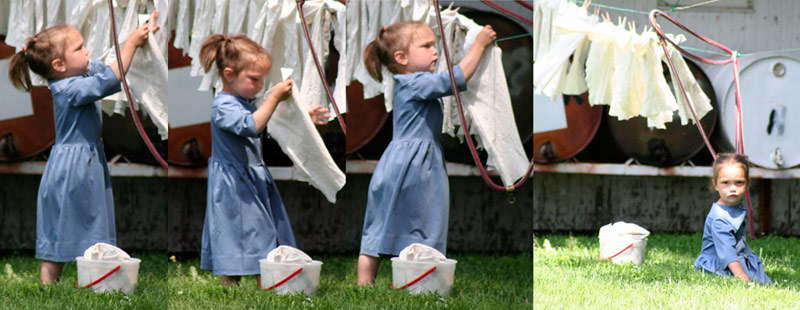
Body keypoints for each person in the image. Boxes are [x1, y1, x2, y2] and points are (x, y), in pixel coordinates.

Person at [7, 12, 159, 284]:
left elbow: (107, 66)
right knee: (69, 226)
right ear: (59, 65)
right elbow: (111, 78)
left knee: (77, 224)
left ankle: (86, 282)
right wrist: (132, 43)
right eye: (79, 48)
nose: (86, 51)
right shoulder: (69, 89)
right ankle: (53, 285)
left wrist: (135, 34)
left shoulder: (77, 77)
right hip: (74, 169)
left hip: (81, 163)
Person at [357, 21, 496, 285]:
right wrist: (479, 44)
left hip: (404, 163)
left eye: (434, 45)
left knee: (382, 224)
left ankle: (377, 283)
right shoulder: (414, 83)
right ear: (401, 57)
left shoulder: (410, 82)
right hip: (412, 167)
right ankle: (392, 282)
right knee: (421, 222)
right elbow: (455, 79)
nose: (435, 51)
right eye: (427, 46)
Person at [197, 33, 329, 285]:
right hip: (234, 185)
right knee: (247, 233)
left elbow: (270, 123)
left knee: (261, 230)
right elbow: (252, 125)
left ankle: (259, 284)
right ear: (229, 74)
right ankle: (251, 285)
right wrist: (274, 96)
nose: (260, 86)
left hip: (250, 177)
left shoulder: (245, 101)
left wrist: (303, 117)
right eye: (254, 79)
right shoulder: (223, 105)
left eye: (263, 80)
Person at [694, 153, 772, 285]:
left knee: (764, 281)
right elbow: (727, 254)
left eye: (739, 183)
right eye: (725, 183)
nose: (732, 189)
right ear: (715, 184)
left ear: (747, 183)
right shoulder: (720, 219)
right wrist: (742, 277)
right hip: (721, 263)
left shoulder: (731, 206)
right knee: (755, 281)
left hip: (737, 255)